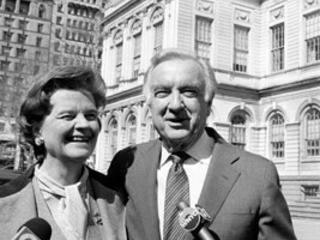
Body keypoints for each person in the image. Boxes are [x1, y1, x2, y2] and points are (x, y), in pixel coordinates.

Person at [107, 49, 297, 240]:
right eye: (162, 92)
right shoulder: (126, 166)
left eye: (188, 92)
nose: (175, 105)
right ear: (149, 104)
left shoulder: (258, 174)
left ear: (208, 102)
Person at [0, 66, 126, 240]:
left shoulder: (118, 199)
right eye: (68, 116)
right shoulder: (5, 203)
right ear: (37, 131)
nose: (83, 125)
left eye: (90, 115)